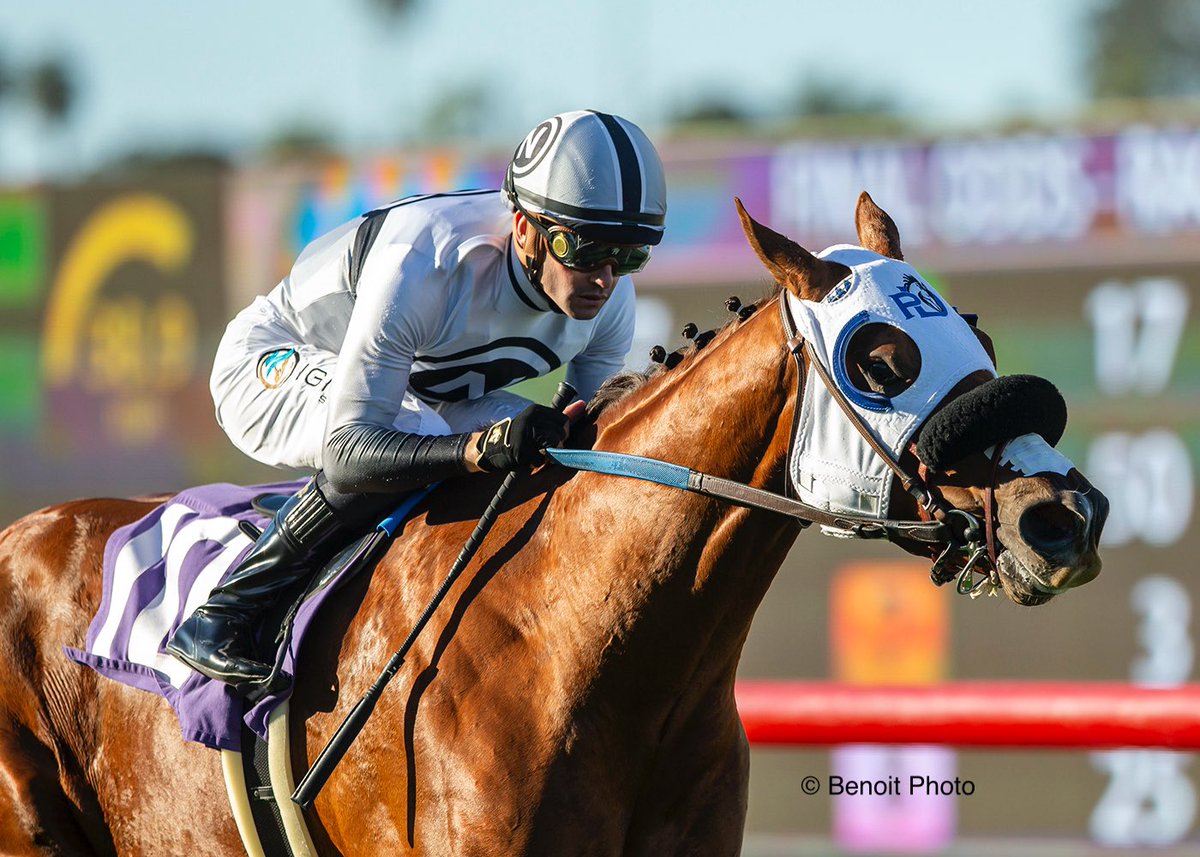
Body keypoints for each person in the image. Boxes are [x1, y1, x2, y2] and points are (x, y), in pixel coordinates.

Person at [166, 110, 667, 690]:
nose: (604, 279)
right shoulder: (425, 262)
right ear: (525, 228)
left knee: (562, 454)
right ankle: (225, 611)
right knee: (421, 430)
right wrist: (478, 449)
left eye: (628, 256)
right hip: (272, 358)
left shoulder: (612, 303)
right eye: (581, 249)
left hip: (416, 390)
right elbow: (351, 454)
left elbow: (579, 435)